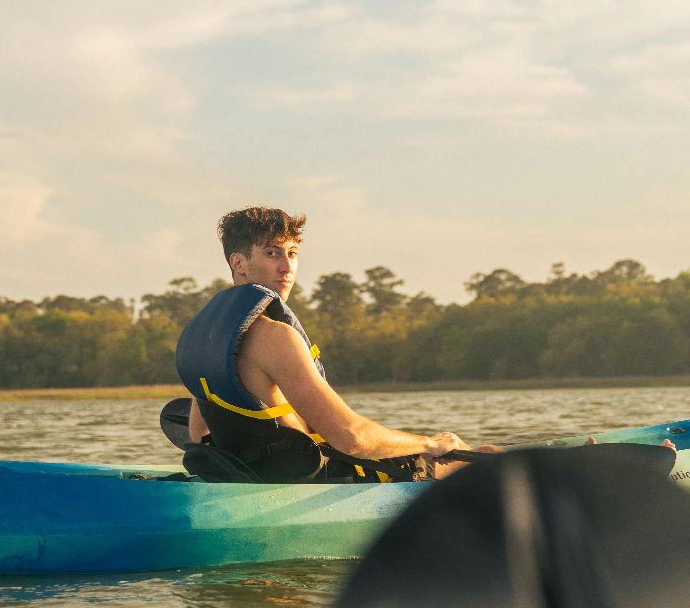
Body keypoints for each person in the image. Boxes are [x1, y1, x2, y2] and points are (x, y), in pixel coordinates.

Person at [175, 205, 488, 482]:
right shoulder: (275, 337)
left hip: (254, 473)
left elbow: (198, 434)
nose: (287, 267)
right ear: (239, 263)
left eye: (292, 253)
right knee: (487, 455)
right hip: (318, 480)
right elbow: (353, 439)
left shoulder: (210, 336)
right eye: (272, 253)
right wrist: (432, 444)